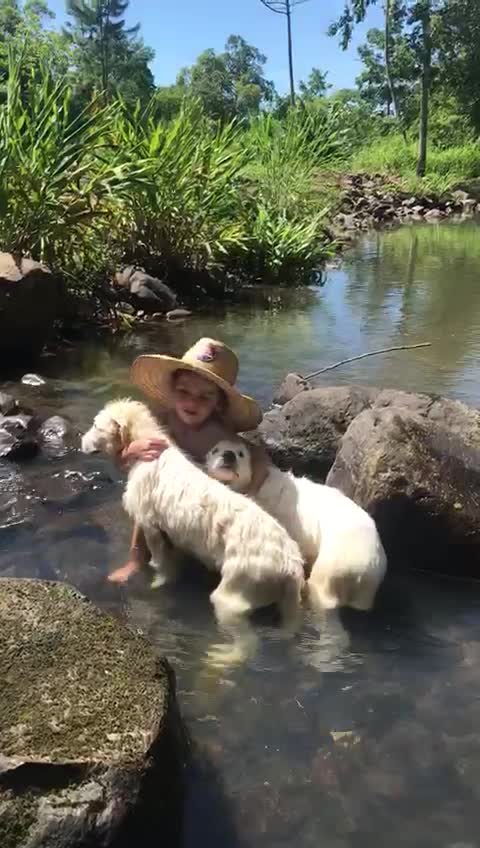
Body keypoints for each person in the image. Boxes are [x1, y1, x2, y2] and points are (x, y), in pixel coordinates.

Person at [108, 337, 270, 583]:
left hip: (195, 505)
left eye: (205, 397)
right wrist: (131, 451)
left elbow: (259, 456)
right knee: (143, 497)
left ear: (218, 403)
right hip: (160, 496)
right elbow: (122, 465)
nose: (192, 402)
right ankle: (136, 558)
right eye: (184, 392)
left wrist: (250, 493)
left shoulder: (217, 435)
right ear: (172, 391)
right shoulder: (157, 420)